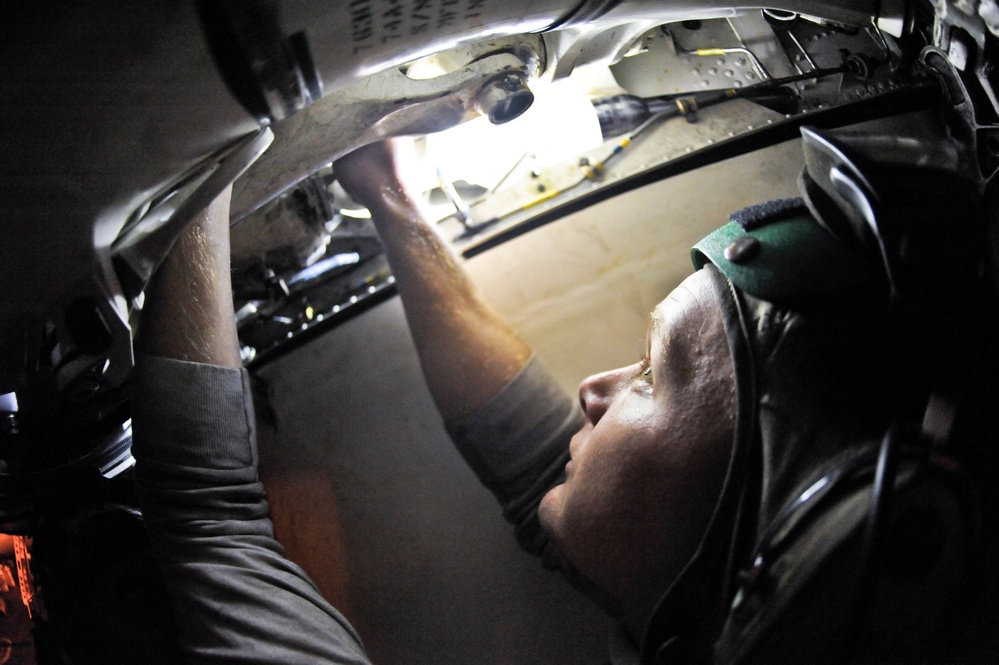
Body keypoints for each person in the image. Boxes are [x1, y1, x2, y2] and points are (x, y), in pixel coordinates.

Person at [130, 129, 995, 664]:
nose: (593, 388)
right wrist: (388, 193)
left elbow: (210, 521)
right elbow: (548, 476)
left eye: (652, 377)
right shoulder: (708, 614)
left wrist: (202, 153)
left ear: (807, 561)